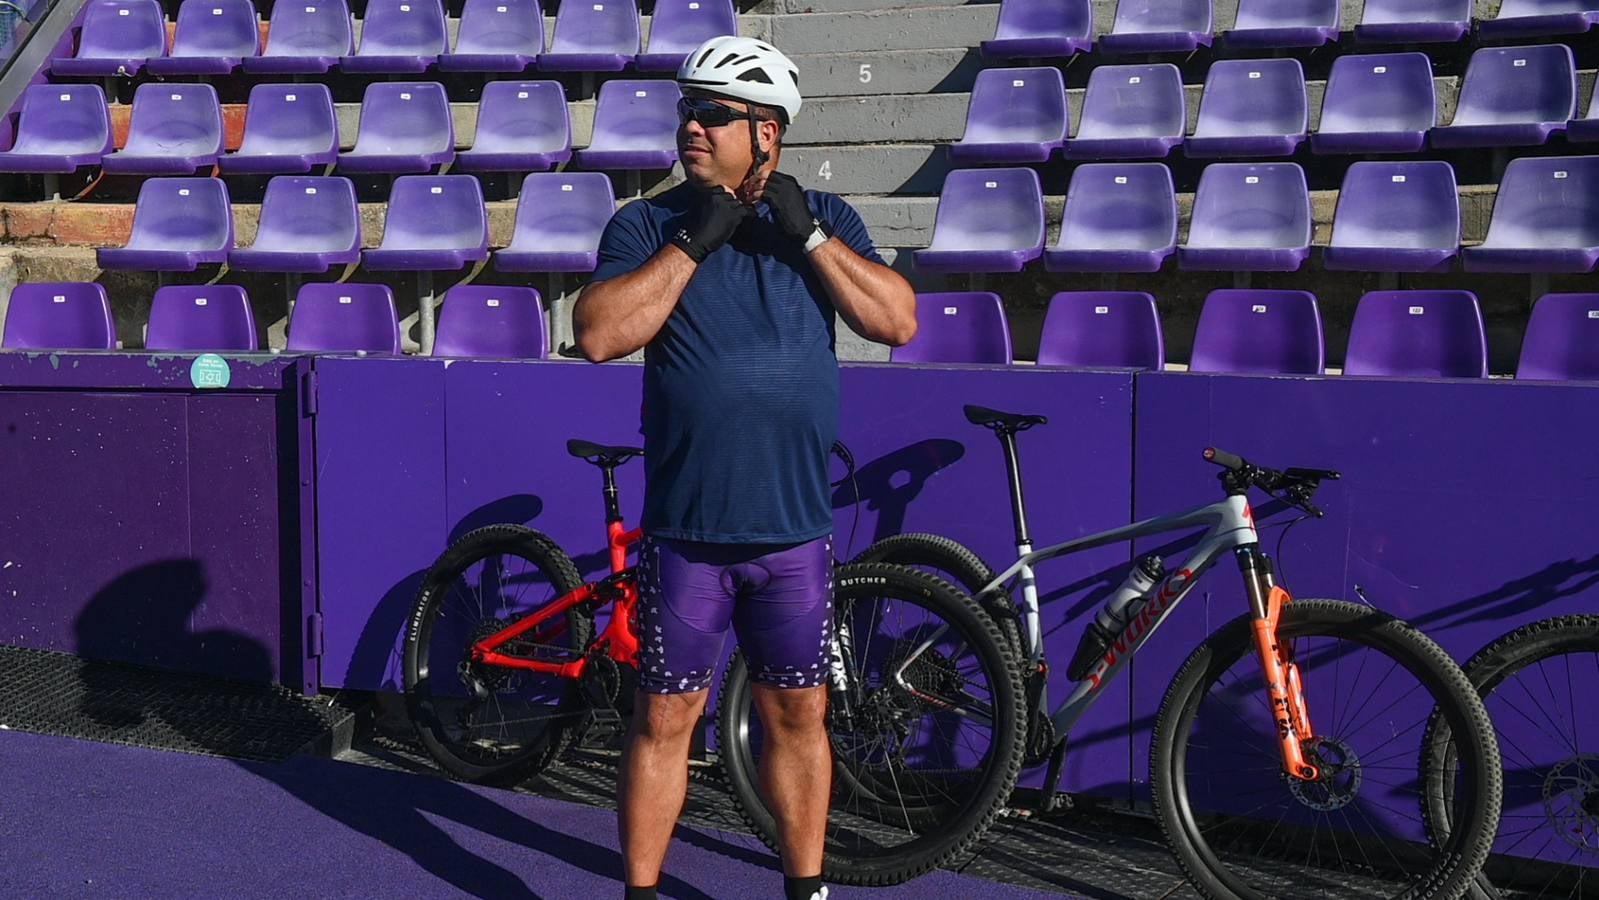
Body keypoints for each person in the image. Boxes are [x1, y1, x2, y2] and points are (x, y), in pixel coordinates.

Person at [572, 34, 918, 900]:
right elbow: (600, 334)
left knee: (797, 715)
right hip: (689, 534)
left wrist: (803, 238)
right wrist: (698, 239)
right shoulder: (646, 224)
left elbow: (896, 322)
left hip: (793, 534)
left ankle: (804, 890)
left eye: (713, 113)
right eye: (687, 109)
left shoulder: (827, 221)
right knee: (663, 720)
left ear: (768, 132)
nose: (691, 125)